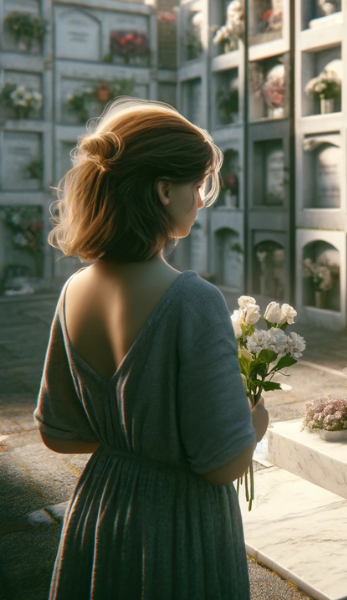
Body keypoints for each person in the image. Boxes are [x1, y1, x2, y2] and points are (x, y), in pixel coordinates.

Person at [34, 98, 269, 599]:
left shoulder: (74, 290)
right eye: (196, 185)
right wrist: (255, 421)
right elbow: (223, 465)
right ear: (164, 191)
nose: (201, 200)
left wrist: (133, 443)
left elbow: (58, 432)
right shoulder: (193, 300)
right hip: (179, 527)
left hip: (99, 513)